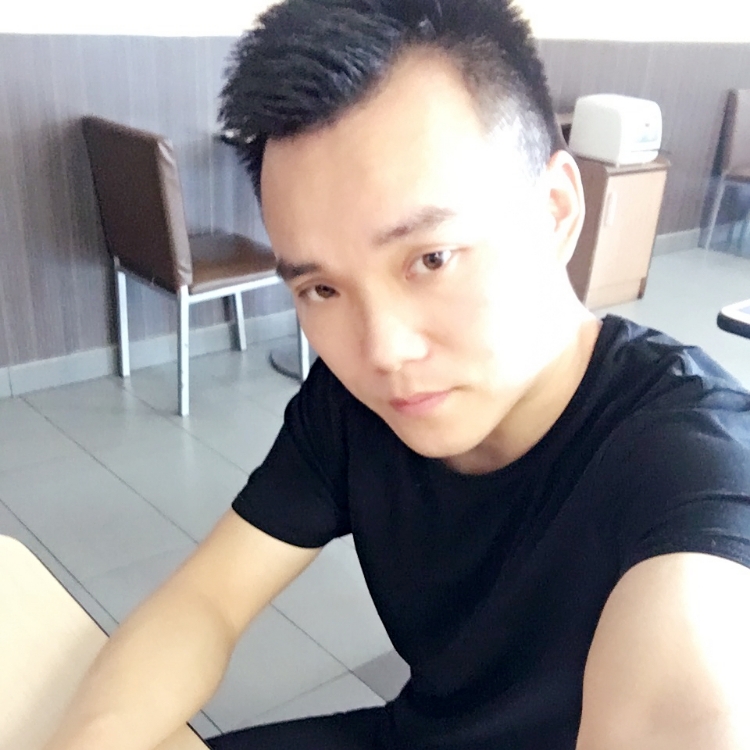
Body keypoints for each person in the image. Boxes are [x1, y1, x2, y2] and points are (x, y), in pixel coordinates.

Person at [46, 1, 750, 749]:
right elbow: (207, 601)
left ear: (554, 211)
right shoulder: (352, 409)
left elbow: (691, 691)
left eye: (431, 258)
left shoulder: (690, 455)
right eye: (322, 288)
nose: (382, 351)